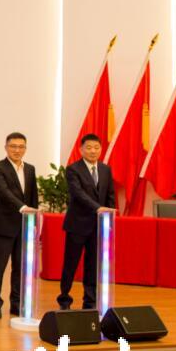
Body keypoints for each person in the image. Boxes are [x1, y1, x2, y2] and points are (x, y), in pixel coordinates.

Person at [60, 133, 116, 310]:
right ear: (81, 150)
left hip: (98, 227)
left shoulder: (105, 169)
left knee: (93, 266)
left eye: (96, 148)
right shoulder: (73, 169)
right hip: (77, 224)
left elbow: (110, 194)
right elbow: (78, 194)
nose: (93, 151)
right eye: (89, 148)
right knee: (71, 264)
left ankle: (90, 302)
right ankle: (64, 299)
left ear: (101, 149)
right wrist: (97, 208)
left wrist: (110, 217)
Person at [0, 132, 39, 319]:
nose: (17, 150)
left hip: (24, 226)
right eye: (13, 146)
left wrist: (34, 222)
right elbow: (3, 192)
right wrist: (22, 207)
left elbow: (33, 196)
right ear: (6, 147)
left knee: (20, 267)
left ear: (25, 148)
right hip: (4, 225)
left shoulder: (30, 169)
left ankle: (16, 304)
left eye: (21, 147)